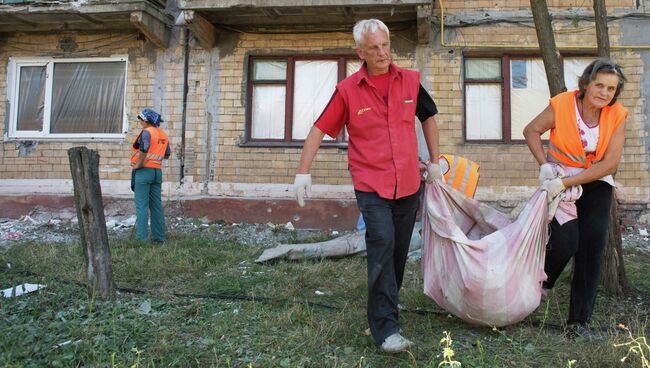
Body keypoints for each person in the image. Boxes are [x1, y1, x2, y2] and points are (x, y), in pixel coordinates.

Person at [293, 19, 442, 352]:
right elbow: (319, 130)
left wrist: (435, 161)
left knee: (400, 249)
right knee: (382, 244)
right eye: (373, 48)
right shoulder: (348, 90)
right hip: (371, 184)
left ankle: (387, 301)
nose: (382, 53)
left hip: (407, 183)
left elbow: (428, 117)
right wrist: (303, 171)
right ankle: (386, 329)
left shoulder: (410, 82)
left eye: (386, 45)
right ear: (360, 51)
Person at [523, 59, 628, 331]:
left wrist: (571, 181)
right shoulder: (563, 104)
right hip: (559, 179)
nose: (604, 93)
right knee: (565, 242)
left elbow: (610, 164)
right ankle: (537, 286)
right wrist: (544, 166)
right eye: (599, 85)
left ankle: (578, 320)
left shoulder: (617, 115)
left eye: (611, 89)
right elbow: (531, 130)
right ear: (586, 84)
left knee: (592, 247)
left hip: (595, 182)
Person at [131, 108, 171, 243]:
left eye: (141, 119)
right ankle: (159, 239)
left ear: (146, 120)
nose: (140, 122)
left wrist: (139, 164)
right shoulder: (163, 134)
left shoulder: (146, 132)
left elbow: (144, 148)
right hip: (156, 172)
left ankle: (141, 240)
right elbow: (167, 154)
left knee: (141, 206)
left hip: (144, 171)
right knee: (156, 207)